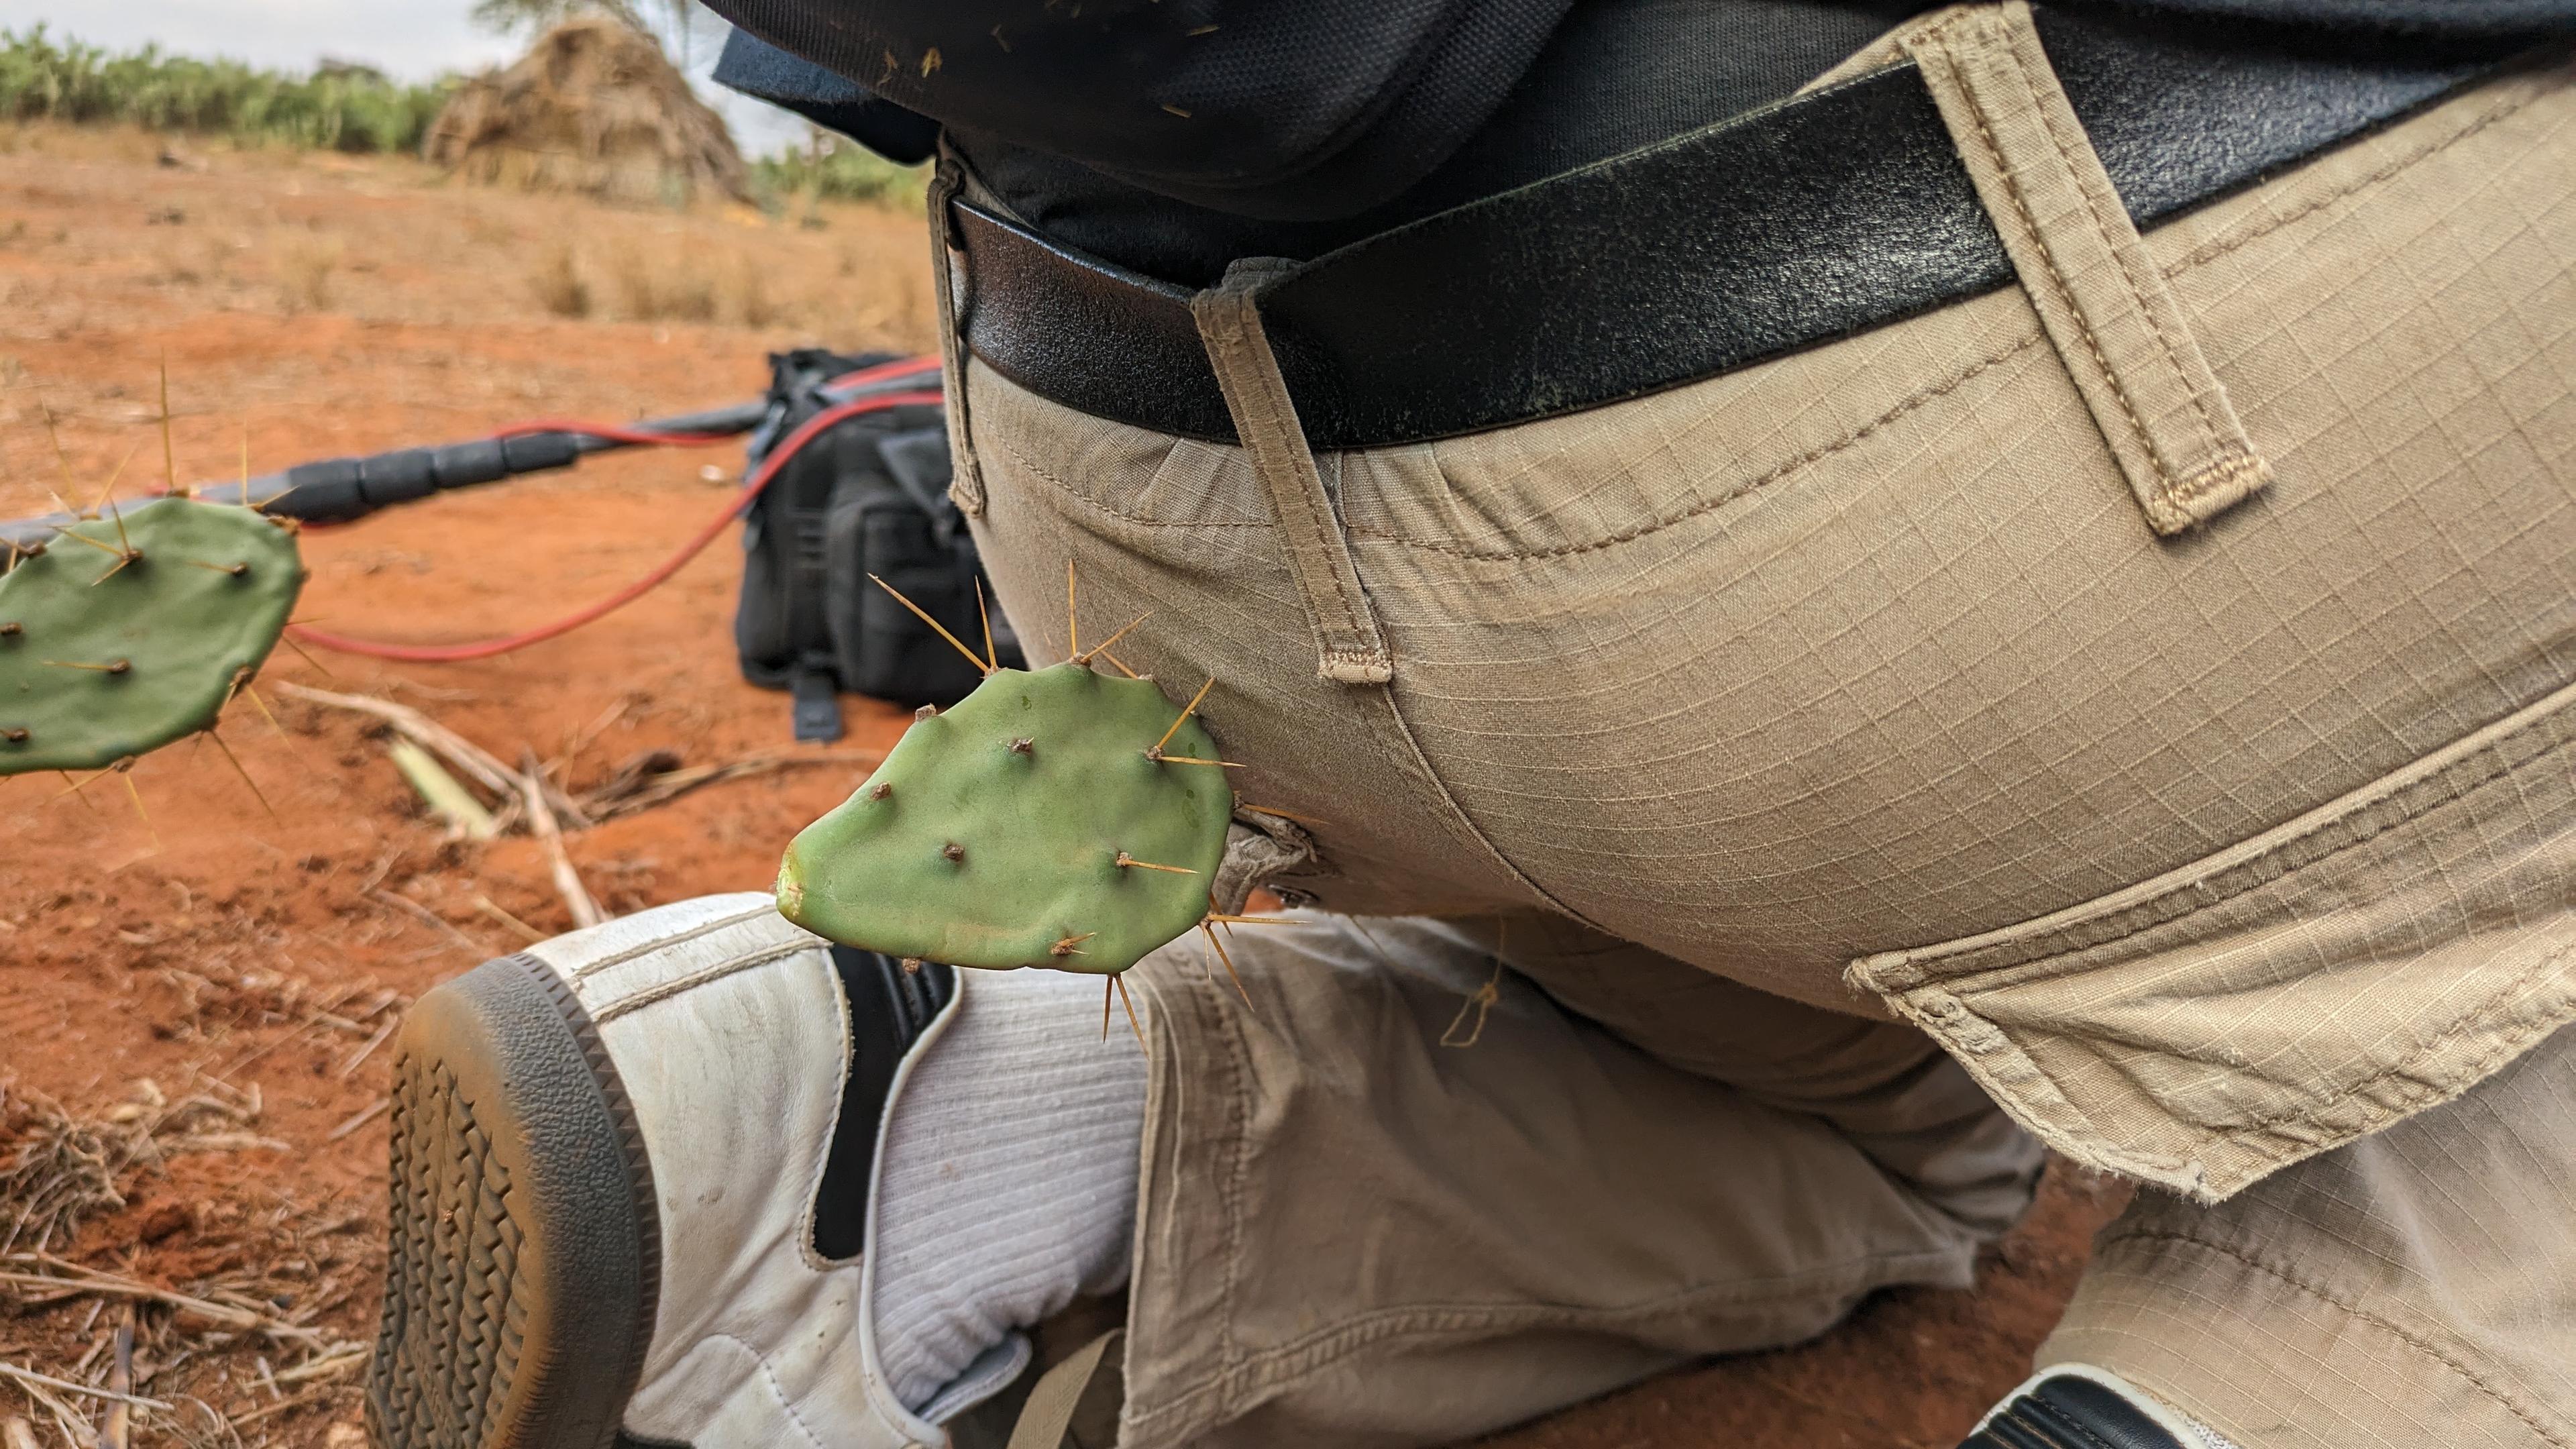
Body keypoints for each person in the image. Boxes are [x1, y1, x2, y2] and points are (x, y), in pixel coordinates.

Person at [360, 2, 2576, 1447]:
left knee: (1881, 1134)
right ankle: (2329, 1375)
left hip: (1132, 493)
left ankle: (951, 1143)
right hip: (1981, 443)